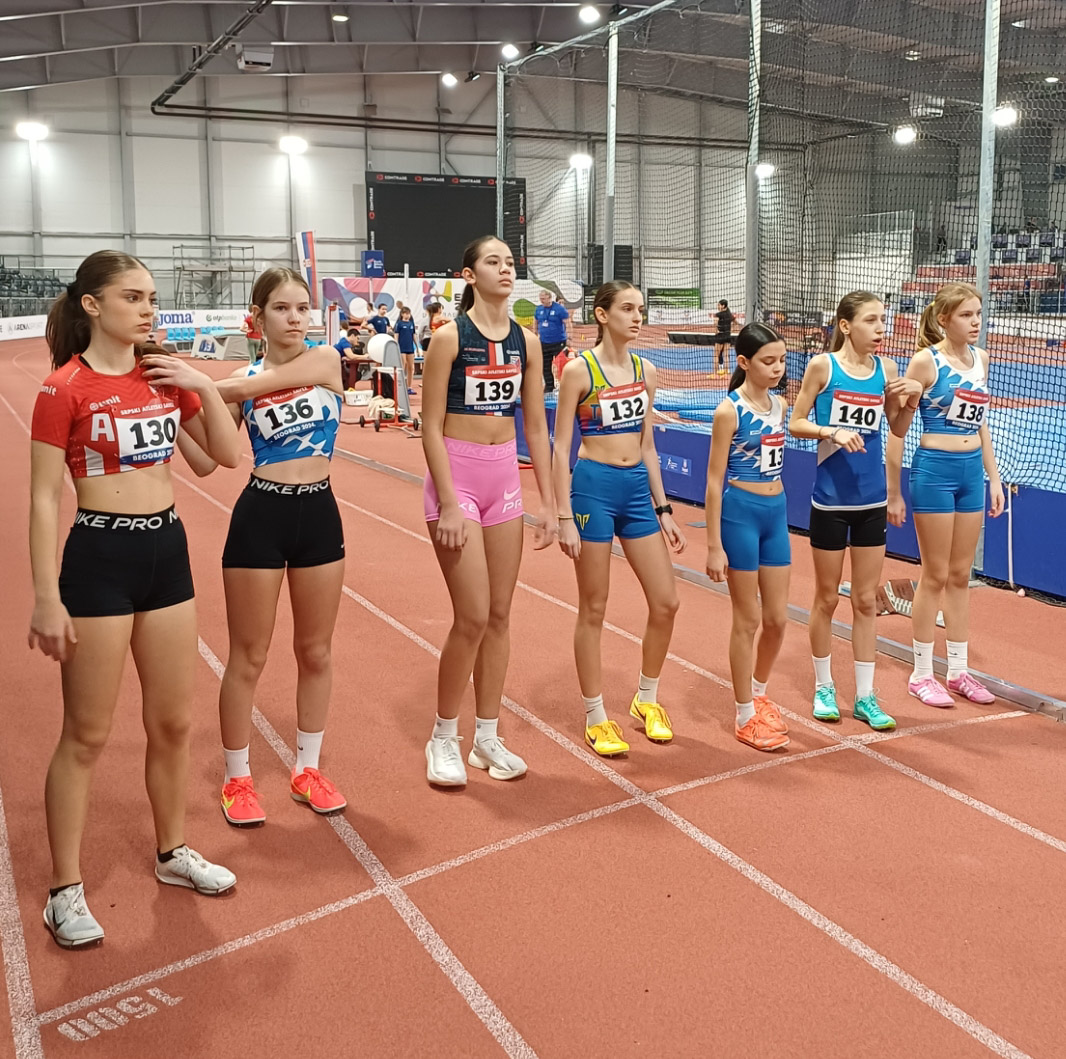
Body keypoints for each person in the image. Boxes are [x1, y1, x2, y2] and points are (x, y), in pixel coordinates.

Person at [29, 250, 242, 949]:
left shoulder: (162, 377)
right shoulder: (64, 388)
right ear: (92, 305)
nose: (149, 309)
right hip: (100, 559)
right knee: (86, 734)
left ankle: (172, 851)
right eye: (133, 297)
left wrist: (200, 383)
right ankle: (64, 889)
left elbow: (218, 459)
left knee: (174, 723)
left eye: (152, 297)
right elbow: (43, 498)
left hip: (166, 555)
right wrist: (46, 597)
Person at [187, 268, 348, 826]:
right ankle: (237, 778)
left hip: (319, 515)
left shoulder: (325, 361)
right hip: (261, 516)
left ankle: (308, 770)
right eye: (282, 308)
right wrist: (174, 411)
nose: (296, 318)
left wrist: (203, 386)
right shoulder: (243, 377)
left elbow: (235, 391)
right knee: (248, 655)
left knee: (316, 651)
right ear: (257, 318)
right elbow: (209, 461)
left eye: (303, 308)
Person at [421, 236, 556, 787]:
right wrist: (449, 502)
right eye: (493, 262)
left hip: (504, 480)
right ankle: (442, 737)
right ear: (469, 275)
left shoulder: (528, 342)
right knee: (473, 616)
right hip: (457, 479)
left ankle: (486, 737)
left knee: (500, 616)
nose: (505, 269)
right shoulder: (449, 338)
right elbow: (429, 425)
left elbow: (536, 426)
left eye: (509, 262)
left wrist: (550, 503)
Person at [553, 281, 685, 756]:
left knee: (666, 602)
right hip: (594, 488)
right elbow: (560, 447)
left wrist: (663, 508)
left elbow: (647, 443)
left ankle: (646, 699)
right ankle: (596, 716)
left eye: (641, 309)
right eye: (627, 309)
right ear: (602, 314)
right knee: (594, 607)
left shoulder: (646, 371)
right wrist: (563, 515)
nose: (637, 317)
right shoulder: (579, 371)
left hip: (636, 492)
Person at [788, 290, 923, 730]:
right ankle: (824, 686)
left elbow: (896, 428)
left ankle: (865, 695)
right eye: (871, 320)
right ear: (846, 326)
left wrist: (912, 402)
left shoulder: (888, 370)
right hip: (830, 502)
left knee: (865, 601)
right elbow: (795, 421)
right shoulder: (823, 367)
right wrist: (831, 431)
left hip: (872, 502)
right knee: (827, 598)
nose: (881, 328)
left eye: (883, 319)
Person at [886, 283, 1004, 708]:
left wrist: (994, 477)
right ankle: (921, 674)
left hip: (971, 473)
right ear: (944, 320)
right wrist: (894, 490)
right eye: (967, 315)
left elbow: (980, 423)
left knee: (960, 576)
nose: (976, 322)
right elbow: (897, 429)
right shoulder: (925, 361)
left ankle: (958, 671)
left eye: (978, 314)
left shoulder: (981, 360)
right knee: (934, 575)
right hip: (934, 472)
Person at [705, 323, 791, 752]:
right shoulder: (729, 411)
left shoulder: (781, 405)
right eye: (768, 361)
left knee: (778, 619)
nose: (777, 368)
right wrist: (713, 546)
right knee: (748, 619)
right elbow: (713, 481)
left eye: (782, 360)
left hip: (777, 513)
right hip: (740, 514)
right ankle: (743, 715)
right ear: (744, 362)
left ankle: (759, 693)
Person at [534, 288, 571, 393]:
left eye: (544, 298)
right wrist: (535, 333)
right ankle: (549, 386)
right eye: (540, 298)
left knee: (562, 365)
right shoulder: (538, 309)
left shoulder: (559, 309)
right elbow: (535, 321)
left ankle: (565, 386)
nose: (541, 300)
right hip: (544, 342)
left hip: (559, 342)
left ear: (549, 298)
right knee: (545, 366)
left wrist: (569, 337)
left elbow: (567, 323)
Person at [394, 305, 418, 395]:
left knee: (411, 367)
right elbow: (396, 335)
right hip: (402, 348)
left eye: (408, 314)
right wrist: (396, 346)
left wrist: (417, 347)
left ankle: (409, 387)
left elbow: (414, 335)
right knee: (403, 365)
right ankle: (400, 386)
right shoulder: (399, 324)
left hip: (410, 348)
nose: (407, 315)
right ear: (402, 314)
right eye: (405, 313)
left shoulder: (411, 324)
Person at [713, 300, 734, 375]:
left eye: (719, 305)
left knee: (716, 355)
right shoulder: (729, 314)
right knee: (726, 355)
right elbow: (733, 324)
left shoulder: (718, 314)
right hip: (728, 336)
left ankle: (715, 373)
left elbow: (715, 325)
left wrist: (716, 331)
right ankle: (726, 372)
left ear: (723, 306)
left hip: (720, 336)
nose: (718, 306)